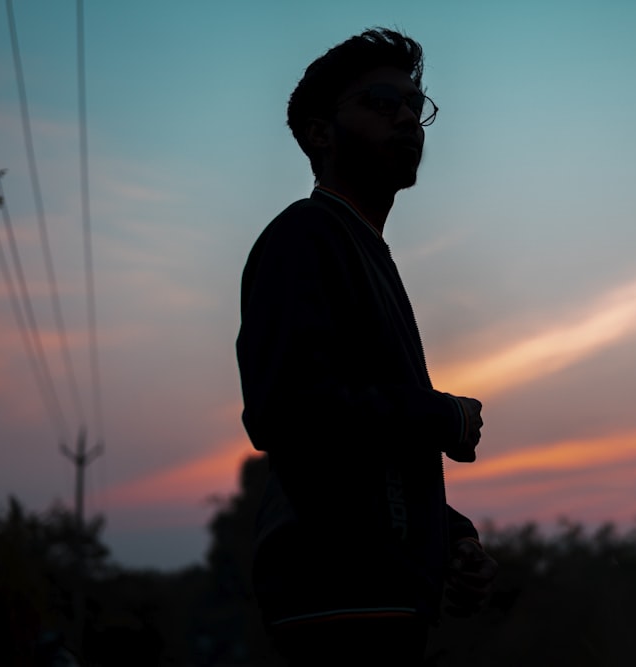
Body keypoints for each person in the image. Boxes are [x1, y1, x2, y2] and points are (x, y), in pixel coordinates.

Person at [236, 28, 497, 666]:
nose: (407, 116)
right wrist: (443, 416)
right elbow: (290, 414)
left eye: (416, 104)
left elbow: (360, 457)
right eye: (382, 101)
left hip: (379, 596)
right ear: (321, 133)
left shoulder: (360, 248)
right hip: (337, 598)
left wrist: (450, 536)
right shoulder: (304, 237)